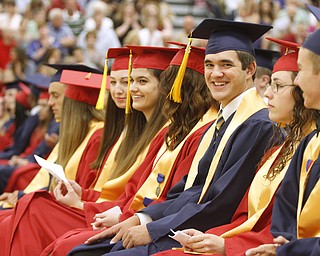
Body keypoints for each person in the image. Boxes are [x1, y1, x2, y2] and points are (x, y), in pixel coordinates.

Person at [67, 18, 278, 256]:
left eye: (226, 65)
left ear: (250, 70)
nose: (215, 74)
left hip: (204, 235)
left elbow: (220, 204)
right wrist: (141, 218)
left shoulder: (257, 125)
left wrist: (153, 230)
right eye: (209, 65)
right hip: (181, 227)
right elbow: (191, 191)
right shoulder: (221, 123)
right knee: (80, 250)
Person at [39, 42, 219, 256]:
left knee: (62, 237)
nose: (128, 89)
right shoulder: (170, 134)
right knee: (39, 211)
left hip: (156, 226)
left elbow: (176, 198)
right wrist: (86, 198)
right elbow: (132, 193)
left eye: (138, 81)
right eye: (125, 81)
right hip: (128, 216)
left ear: (187, 89)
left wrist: (93, 207)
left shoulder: (201, 134)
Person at [0, 46, 178, 256]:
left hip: (115, 217)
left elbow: (136, 199)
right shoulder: (127, 132)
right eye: (115, 82)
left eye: (138, 81)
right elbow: (116, 191)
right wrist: (82, 194)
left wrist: (84, 202)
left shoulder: (161, 135)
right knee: (27, 209)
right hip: (105, 211)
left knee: (32, 208)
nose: (125, 90)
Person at [152, 38, 317, 256]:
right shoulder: (284, 148)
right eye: (208, 66)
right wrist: (218, 238)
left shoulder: (262, 128)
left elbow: (274, 227)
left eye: (278, 86)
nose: (267, 93)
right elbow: (246, 217)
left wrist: (225, 244)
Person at [245, 28, 320, 256]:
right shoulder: (309, 143)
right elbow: (285, 211)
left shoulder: (261, 128)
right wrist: (283, 245)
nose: (298, 80)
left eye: (300, 70)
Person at [0, 64, 105, 210]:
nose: (50, 103)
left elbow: (77, 193)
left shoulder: (97, 137)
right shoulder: (75, 133)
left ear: (73, 101)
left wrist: (24, 197)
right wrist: (23, 195)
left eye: (55, 96)